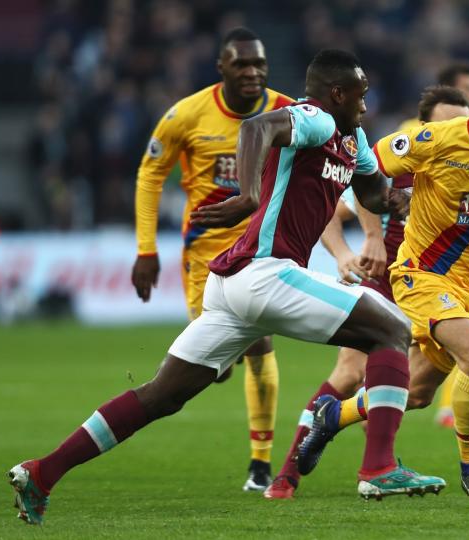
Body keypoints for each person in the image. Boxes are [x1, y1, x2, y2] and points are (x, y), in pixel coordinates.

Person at [7, 49, 445, 525]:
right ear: (337, 93)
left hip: (234, 286)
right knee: (393, 330)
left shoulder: (351, 137)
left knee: (161, 395)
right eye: (360, 95)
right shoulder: (315, 118)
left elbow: (374, 193)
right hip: (265, 272)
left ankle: (42, 473)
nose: (366, 104)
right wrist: (249, 194)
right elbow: (256, 128)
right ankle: (379, 467)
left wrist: (401, 200)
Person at [297, 62, 469, 508]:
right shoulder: (434, 140)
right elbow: (363, 164)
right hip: (419, 275)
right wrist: (371, 227)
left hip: (468, 286)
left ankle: (334, 415)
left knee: (419, 394)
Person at [265, 85, 469, 500]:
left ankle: (337, 422)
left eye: (458, 123)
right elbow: (335, 210)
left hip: (444, 289)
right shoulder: (400, 160)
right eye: (442, 123)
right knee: (350, 372)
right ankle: (286, 475)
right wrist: (350, 250)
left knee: (420, 395)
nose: (452, 130)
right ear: (424, 126)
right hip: (388, 279)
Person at [131, 27, 292, 492]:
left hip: (260, 250)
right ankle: (222, 361)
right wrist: (146, 248)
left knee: (260, 346)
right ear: (221, 67)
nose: (252, 72)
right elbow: (150, 174)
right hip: (205, 255)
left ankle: (260, 464)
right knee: (211, 365)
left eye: (259, 64)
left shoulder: (285, 111)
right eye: (241, 64)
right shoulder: (187, 114)